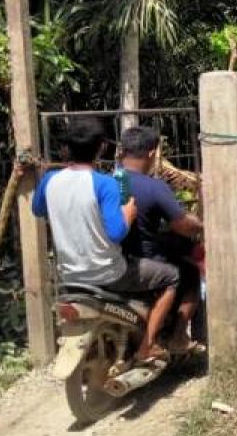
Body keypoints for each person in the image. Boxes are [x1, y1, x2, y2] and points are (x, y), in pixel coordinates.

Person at [30, 116, 179, 365]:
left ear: (67, 148)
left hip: (70, 277)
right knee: (171, 276)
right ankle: (147, 346)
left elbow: (38, 210)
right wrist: (128, 215)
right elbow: (116, 233)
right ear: (101, 147)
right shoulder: (106, 184)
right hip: (110, 274)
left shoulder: (49, 180)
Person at [116, 126, 204, 354]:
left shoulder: (108, 182)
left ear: (122, 151)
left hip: (111, 258)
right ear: (152, 153)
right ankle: (177, 337)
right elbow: (181, 225)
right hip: (143, 259)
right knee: (190, 272)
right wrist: (201, 225)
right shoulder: (154, 187)